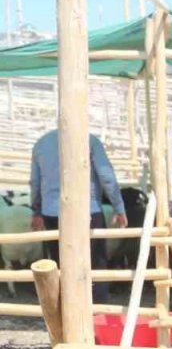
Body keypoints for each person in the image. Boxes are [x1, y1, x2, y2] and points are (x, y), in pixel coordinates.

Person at [29, 129, 127, 304]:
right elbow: (106, 176)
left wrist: (37, 211)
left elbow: (35, 182)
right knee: (95, 263)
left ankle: (68, 309)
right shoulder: (90, 140)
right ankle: (97, 311)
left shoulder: (41, 144)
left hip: (52, 212)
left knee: (62, 263)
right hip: (87, 210)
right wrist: (118, 207)